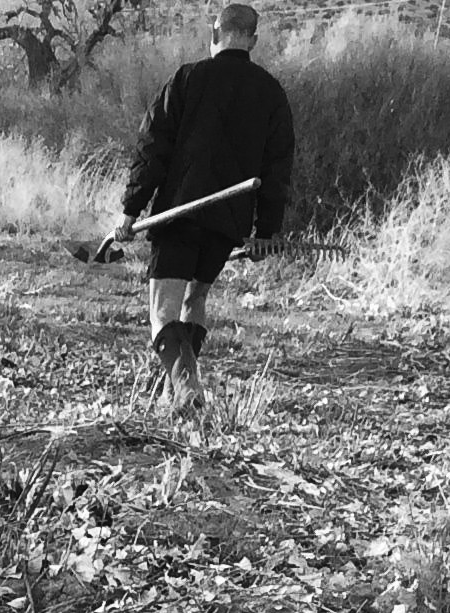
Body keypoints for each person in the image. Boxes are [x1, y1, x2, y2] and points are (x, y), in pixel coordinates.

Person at [111, 1, 295, 409]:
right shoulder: (271, 93)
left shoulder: (187, 79)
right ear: (253, 40)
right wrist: (265, 231)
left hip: (179, 216)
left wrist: (130, 210)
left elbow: (152, 149)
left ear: (214, 35)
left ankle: (188, 387)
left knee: (162, 312)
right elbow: (278, 167)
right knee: (195, 301)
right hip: (227, 222)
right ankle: (175, 392)